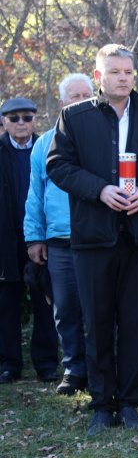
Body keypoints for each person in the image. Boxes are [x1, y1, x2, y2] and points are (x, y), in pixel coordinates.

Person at [47, 43, 138, 436]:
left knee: (136, 322)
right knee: (98, 322)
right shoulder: (74, 117)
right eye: (115, 71)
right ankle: (101, 404)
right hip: (93, 237)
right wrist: (100, 190)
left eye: (128, 71)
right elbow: (59, 166)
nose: (123, 77)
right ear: (98, 75)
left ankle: (130, 403)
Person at [23, 74, 94, 395]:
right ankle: (74, 368)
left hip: (98, 238)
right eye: (74, 96)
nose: (80, 100)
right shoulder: (44, 143)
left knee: (99, 308)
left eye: (86, 94)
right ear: (63, 102)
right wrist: (34, 237)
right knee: (64, 309)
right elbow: (35, 194)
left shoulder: (105, 137)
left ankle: (100, 367)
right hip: (59, 241)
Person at [0, 97, 59, 385]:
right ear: (3, 122)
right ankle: (9, 364)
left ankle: (46, 364)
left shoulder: (49, 146)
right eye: (14, 118)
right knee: (6, 304)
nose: (21, 123)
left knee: (45, 301)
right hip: (5, 240)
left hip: (42, 238)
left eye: (26, 117)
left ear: (36, 119)